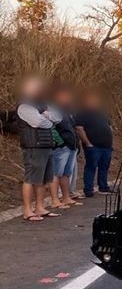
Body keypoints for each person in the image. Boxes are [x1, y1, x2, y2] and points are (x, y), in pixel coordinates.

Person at [16, 77, 61, 221]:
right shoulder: (24, 105)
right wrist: (48, 120)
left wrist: (46, 117)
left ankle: (40, 207)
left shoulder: (43, 104)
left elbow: (58, 117)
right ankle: (27, 210)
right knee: (31, 178)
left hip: (46, 145)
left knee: (42, 179)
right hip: (33, 145)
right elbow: (37, 122)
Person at [75, 91, 114, 197]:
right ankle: (88, 189)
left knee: (104, 167)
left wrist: (110, 140)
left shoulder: (102, 112)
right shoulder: (82, 114)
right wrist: (88, 143)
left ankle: (103, 186)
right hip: (93, 146)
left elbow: (109, 125)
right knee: (91, 167)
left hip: (106, 146)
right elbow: (79, 129)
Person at [48, 86, 82, 207]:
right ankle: (55, 200)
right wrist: (60, 142)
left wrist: (76, 144)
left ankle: (66, 197)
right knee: (56, 174)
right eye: (64, 96)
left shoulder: (67, 111)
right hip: (61, 147)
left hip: (71, 146)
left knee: (66, 174)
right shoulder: (52, 109)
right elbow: (51, 128)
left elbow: (73, 128)